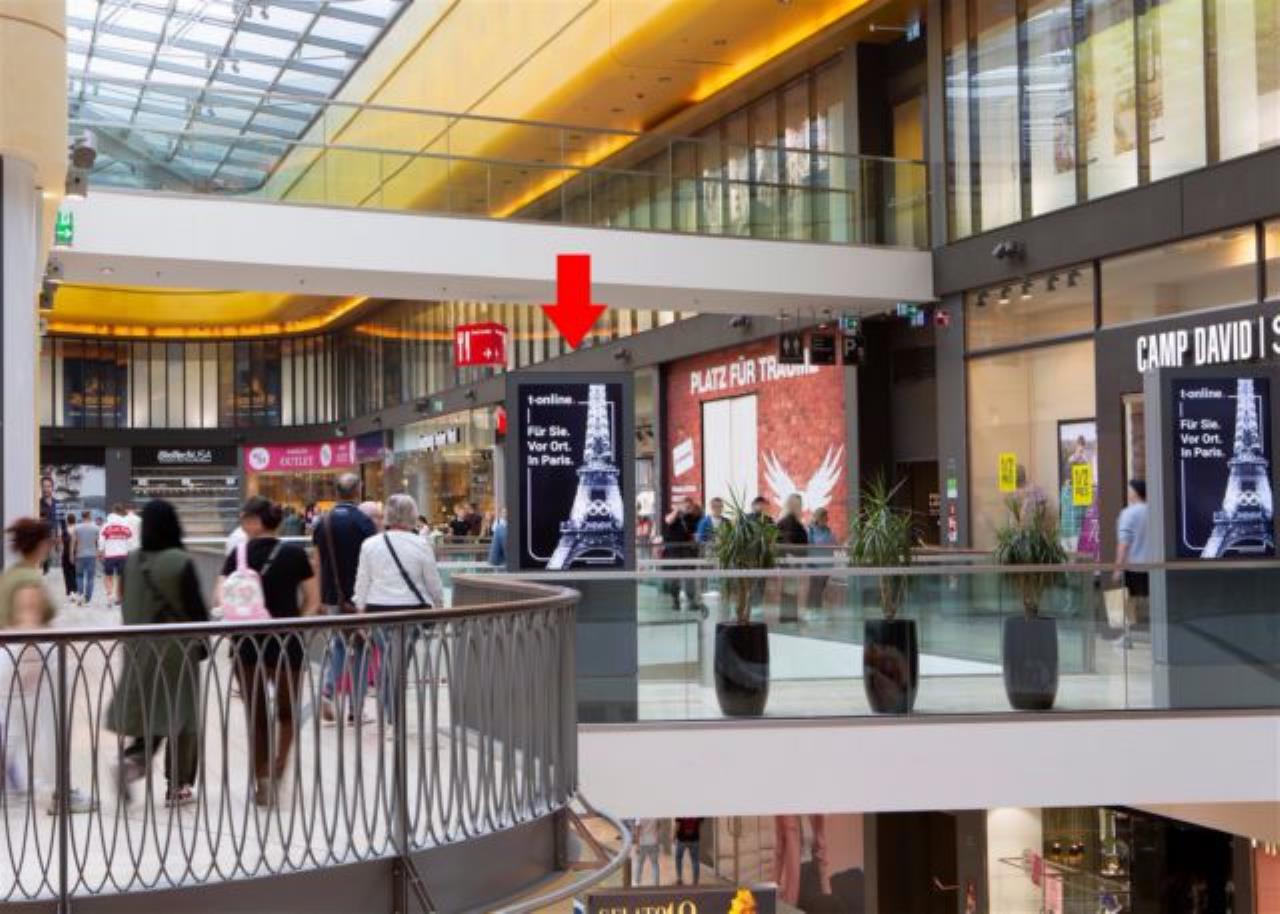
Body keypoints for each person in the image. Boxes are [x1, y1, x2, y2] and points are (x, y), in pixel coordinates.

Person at [217, 498, 318, 807]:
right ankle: (278, 769)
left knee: (257, 716)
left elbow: (220, 599)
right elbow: (313, 600)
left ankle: (261, 778)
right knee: (287, 715)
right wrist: (294, 624)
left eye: (244, 517)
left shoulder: (237, 555)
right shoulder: (295, 553)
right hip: (287, 644)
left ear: (254, 522)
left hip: (245, 645)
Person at [107, 500, 209, 807]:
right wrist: (202, 645)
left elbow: (123, 600)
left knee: (151, 712)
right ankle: (179, 785)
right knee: (182, 716)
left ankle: (133, 761)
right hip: (176, 651)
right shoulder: (180, 561)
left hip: (138, 649)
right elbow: (198, 612)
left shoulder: (132, 560)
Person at [0, 518, 95, 813]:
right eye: (49, 540)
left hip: (9, 658)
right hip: (30, 661)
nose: (52, 545)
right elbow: (28, 622)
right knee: (51, 729)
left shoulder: (11, 574)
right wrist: (30, 665)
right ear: (40, 544)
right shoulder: (28, 579)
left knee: (13, 729)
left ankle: (56, 790)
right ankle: (60, 792)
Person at [351, 494, 444, 724]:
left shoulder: (370, 544)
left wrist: (360, 612)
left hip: (378, 610)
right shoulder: (421, 544)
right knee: (400, 662)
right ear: (412, 515)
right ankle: (393, 715)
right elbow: (432, 581)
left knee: (388, 659)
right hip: (412, 611)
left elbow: (362, 582)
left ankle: (390, 714)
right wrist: (439, 605)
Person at [313, 474, 376, 724]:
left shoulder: (323, 521)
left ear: (336, 492)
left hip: (332, 596)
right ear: (358, 491)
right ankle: (355, 709)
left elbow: (317, 561)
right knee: (361, 648)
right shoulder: (363, 522)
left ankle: (328, 690)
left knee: (338, 643)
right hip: (359, 597)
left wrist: (318, 597)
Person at [1113, 479, 1150, 634]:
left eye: (1129, 490)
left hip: (1133, 566)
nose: (1127, 493)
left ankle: (1124, 635)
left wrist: (1117, 568)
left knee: (1123, 600)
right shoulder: (1155, 510)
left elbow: (1124, 543)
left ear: (1135, 492)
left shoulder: (1128, 513)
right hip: (1154, 566)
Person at [662, 497, 705, 614]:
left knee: (689, 576)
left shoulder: (694, 517)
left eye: (689, 506)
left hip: (688, 550)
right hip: (673, 550)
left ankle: (691, 600)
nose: (687, 508)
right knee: (674, 577)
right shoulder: (674, 515)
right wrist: (677, 510)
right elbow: (668, 520)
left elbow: (698, 529)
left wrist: (694, 511)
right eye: (685, 505)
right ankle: (675, 600)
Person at [776, 494, 808, 622]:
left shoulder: (786, 521)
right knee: (790, 590)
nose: (800, 507)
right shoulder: (790, 522)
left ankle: (788, 617)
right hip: (791, 563)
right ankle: (789, 617)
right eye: (799, 504)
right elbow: (787, 541)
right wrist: (792, 557)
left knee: (790, 590)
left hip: (790, 562)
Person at [98, 504, 136, 607]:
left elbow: (101, 540)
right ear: (121, 512)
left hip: (110, 555)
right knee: (120, 577)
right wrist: (129, 551)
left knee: (108, 576)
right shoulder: (126, 525)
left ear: (112, 511)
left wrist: (100, 551)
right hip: (123, 555)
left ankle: (110, 594)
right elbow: (130, 541)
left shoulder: (106, 525)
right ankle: (119, 597)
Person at [806, 507, 836, 610]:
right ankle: (811, 611)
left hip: (827, 564)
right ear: (819, 518)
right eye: (825, 516)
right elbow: (809, 547)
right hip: (815, 565)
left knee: (820, 590)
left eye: (827, 516)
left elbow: (832, 544)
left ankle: (816, 611)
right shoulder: (811, 530)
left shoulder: (828, 530)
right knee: (814, 590)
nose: (827, 519)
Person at [70, 512, 100, 606]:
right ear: (90, 517)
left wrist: (71, 554)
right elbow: (98, 542)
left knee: (79, 576)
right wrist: (98, 553)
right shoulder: (96, 528)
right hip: (92, 555)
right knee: (90, 578)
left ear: (82, 517)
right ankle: (87, 598)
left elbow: (73, 542)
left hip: (79, 555)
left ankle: (80, 595)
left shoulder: (77, 528)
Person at [37, 476, 61, 573]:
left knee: (55, 566)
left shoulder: (58, 503)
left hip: (55, 539)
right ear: (41, 488)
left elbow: (61, 521)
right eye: (44, 486)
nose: (46, 489)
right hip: (42, 538)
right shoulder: (37, 504)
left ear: (52, 487)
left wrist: (59, 536)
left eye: (48, 486)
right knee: (44, 565)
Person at [674, 817, 703, 885]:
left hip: (681, 839)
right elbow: (700, 824)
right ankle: (695, 881)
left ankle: (679, 878)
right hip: (694, 839)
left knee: (678, 858)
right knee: (695, 860)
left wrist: (673, 836)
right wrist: (699, 836)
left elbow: (678, 825)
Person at [632, 818, 660, 886]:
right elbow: (658, 827)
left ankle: (637, 883)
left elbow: (637, 831)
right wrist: (657, 841)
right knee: (655, 864)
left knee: (639, 863)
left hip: (642, 843)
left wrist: (637, 845)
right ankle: (656, 884)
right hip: (653, 842)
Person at [58, 519, 77, 598]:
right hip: (75, 553)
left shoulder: (63, 532)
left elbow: (60, 544)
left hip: (65, 554)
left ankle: (69, 590)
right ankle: (75, 589)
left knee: (66, 573)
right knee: (74, 572)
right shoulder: (76, 529)